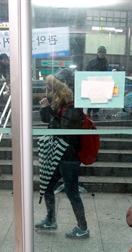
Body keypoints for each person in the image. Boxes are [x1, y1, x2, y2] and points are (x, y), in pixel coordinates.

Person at [35, 72, 89, 239]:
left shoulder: (72, 107)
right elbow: (47, 121)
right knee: (48, 186)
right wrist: (46, 107)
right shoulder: (59, 106)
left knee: (72, 192)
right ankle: (51, 220)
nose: (46, 91)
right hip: (58, 155)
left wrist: (49, 110)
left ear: (57, 90)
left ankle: (83, 227)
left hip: (69, 156)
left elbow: (64, 130)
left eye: (48, 88)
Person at [85, 45, 108, 118]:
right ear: (97, 53)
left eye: (103, 52)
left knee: (98, 97)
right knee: (91, 97)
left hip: (100, 84)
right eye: (100, 52)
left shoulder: (106, 62)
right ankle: (88, 111)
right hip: (92, 83)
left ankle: (95, 111)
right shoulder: (91, 61)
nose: (101, 54)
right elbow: (86, 71)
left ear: (105, 53)